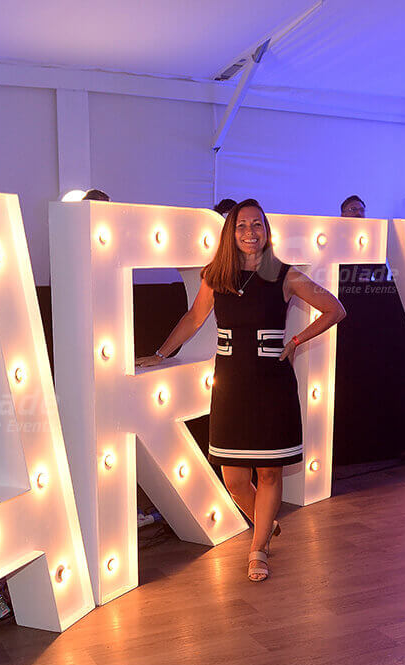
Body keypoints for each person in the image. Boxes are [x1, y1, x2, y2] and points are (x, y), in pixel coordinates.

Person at [137, 199, 345, 581]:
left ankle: (259, 548)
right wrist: (160, 353)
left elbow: (334, 309)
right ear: (230, 233)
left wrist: (297, 339)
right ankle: (266, 525)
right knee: (234, 479)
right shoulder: (216, 276)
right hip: (231, 385)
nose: (250, 232)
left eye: (257, 225)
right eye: (241, 226)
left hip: (272, 385)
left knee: (268, 474)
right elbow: (194, 317)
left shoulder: (285, 276)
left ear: (267, 231)